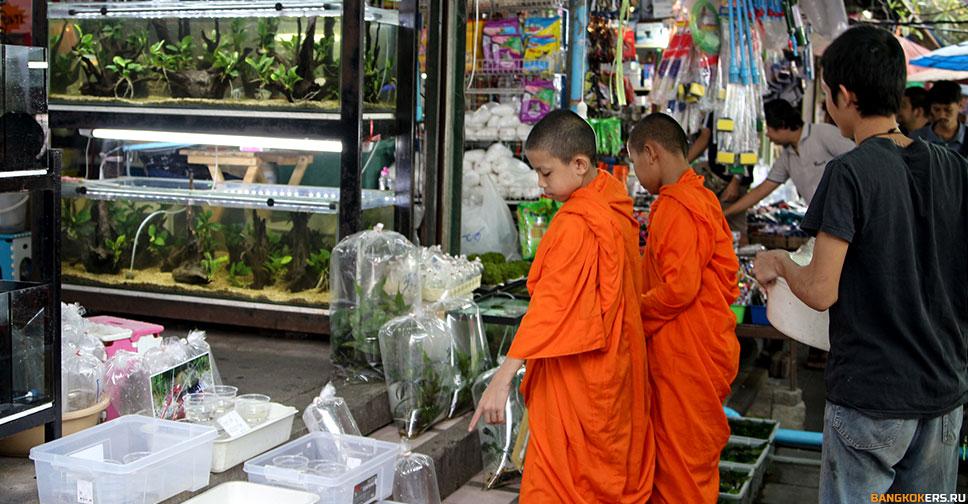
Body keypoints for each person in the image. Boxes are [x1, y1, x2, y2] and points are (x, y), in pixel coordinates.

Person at [754, 26, 968, 501]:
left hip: (871, 397)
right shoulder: (955, 168)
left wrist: (779, 264)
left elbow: (820, 289)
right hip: (943, 394)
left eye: (828, 95)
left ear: (845, 96)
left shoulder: (850, 172)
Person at [469, 110, 654, 503]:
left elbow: (550, 307)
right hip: (614, 371)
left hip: (581, 376)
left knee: (562, 484)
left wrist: (502, 378)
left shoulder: (578, 223)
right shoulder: (612, 204)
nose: (539, 183)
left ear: (580, 164)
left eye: (546, 172)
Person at [628, 113, 740, 504]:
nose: (636, 173)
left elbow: (680, 289)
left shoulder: (677, 207)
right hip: (698, 349)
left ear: (651, 153)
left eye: (634, 163)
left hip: (686, 358)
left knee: (681, 472)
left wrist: (631, 312)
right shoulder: (702, 198)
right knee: (686, 465)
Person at [723, 99, 855, 218]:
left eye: (768, 129)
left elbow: (858, 160)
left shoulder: (823, 133)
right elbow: (761, 191)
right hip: (823, 220)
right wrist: (724, 214)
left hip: (848, 215)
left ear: (782, 125)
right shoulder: (787, 156)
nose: (767, 135)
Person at [687, 113, 753, 236]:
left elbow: (746, 144)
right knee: (706, 226)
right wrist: (682, 164)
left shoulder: (740, 104)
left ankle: (737, 254)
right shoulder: (714, 109)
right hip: (714, 175)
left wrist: (736, 181)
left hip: (733, 181)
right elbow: (704, 138)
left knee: (734, 230)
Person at [911, 80, 965, 152]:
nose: (941, 115)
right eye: (936, 109)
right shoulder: (917, 138)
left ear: (960, 105)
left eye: (948, 110)